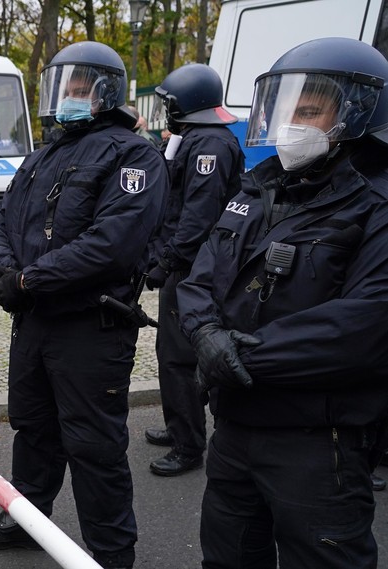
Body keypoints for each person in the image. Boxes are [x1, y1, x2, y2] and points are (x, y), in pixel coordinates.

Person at [177, 37, 388, 568]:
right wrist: (204, 336)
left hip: (317, 443)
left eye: (310, 110)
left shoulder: (375, 204)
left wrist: (238, 357)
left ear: (361, 112)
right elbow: (200, 279)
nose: (293, 121)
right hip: (235, 431)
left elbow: (362, 325)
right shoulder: (259, 189)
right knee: (227, 558)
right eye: (287, 106)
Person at [0, 41, 168, 569]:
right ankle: (26, 519)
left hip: (91, 326)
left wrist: (29, 280)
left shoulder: (134, 154)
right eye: (63, 86)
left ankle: (110, 553)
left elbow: (114, 244)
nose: (69, 97)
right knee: (32, 428)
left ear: (106, 91)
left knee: (93, 445)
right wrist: (6, 273)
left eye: (80, 87)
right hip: (34, 324)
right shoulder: (45, 154)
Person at [143, 64, 245, 477]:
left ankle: (188, 445)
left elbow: (198, 217)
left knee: (178, 358)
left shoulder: (209, 147)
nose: (166, 109)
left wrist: (166, 262)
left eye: (169, 102)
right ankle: (179, 425)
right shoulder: (196, 138)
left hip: (193, 269)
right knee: (171, 352)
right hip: (188, 264)